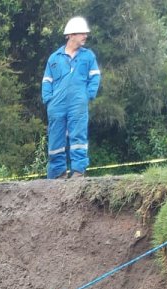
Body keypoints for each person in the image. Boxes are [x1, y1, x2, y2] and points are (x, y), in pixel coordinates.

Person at [42, 17, 101, 179]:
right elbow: (47, 80)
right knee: (55, 139)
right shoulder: (54, 58)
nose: (85, 36)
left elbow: (95, 77)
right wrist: (48, 100)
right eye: (82, 33)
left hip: (78, 104)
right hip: (57, 105)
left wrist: (88, 95)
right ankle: (57, 173)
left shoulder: (88, 56)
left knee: (78, 136)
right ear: (71, 35)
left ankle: (78, 172)